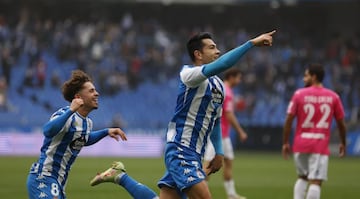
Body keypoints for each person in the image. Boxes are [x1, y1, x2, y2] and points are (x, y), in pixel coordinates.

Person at [90, 30, 275, 199]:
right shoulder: (188, 74)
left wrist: (219, 152)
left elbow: (216, 121)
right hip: (180, 149)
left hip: (196, 153)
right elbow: (223, 64)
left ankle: (120, 176)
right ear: (198, 54)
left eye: (217, 47)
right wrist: (251, 43)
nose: (217, 51)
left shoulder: (218, 85)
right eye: (212, 47)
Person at [26, 70, 128, 199]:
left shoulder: (87, 123)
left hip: (58, 182)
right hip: (43, 178)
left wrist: (106, 132)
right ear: (78, 97)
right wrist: (70, 110)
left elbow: (83, 139)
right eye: (91, 91)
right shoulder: (65, 115)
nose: (97, 94)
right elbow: (47, 131)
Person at [282, 63, 347, 199]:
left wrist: (285, 142)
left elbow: (289, 119)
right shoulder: (333, 97)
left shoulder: (299, 94)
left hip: (300, 143)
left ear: (314, 77)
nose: (303, 79)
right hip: (319, 144)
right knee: (316, 181)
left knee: (302, 177)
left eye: (306, 76)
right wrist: (343, 142)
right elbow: (341, 123)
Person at [203, 68, 248, 199]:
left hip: (224, 135)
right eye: (238, 78)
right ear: (232, 77)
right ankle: (198, 191)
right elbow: (228, 114)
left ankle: (231, 194)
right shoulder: (226, 92)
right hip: (217, 134)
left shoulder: (224, 89)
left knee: (228, 162)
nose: (239, 81)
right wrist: (240, 131)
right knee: (208, 165)